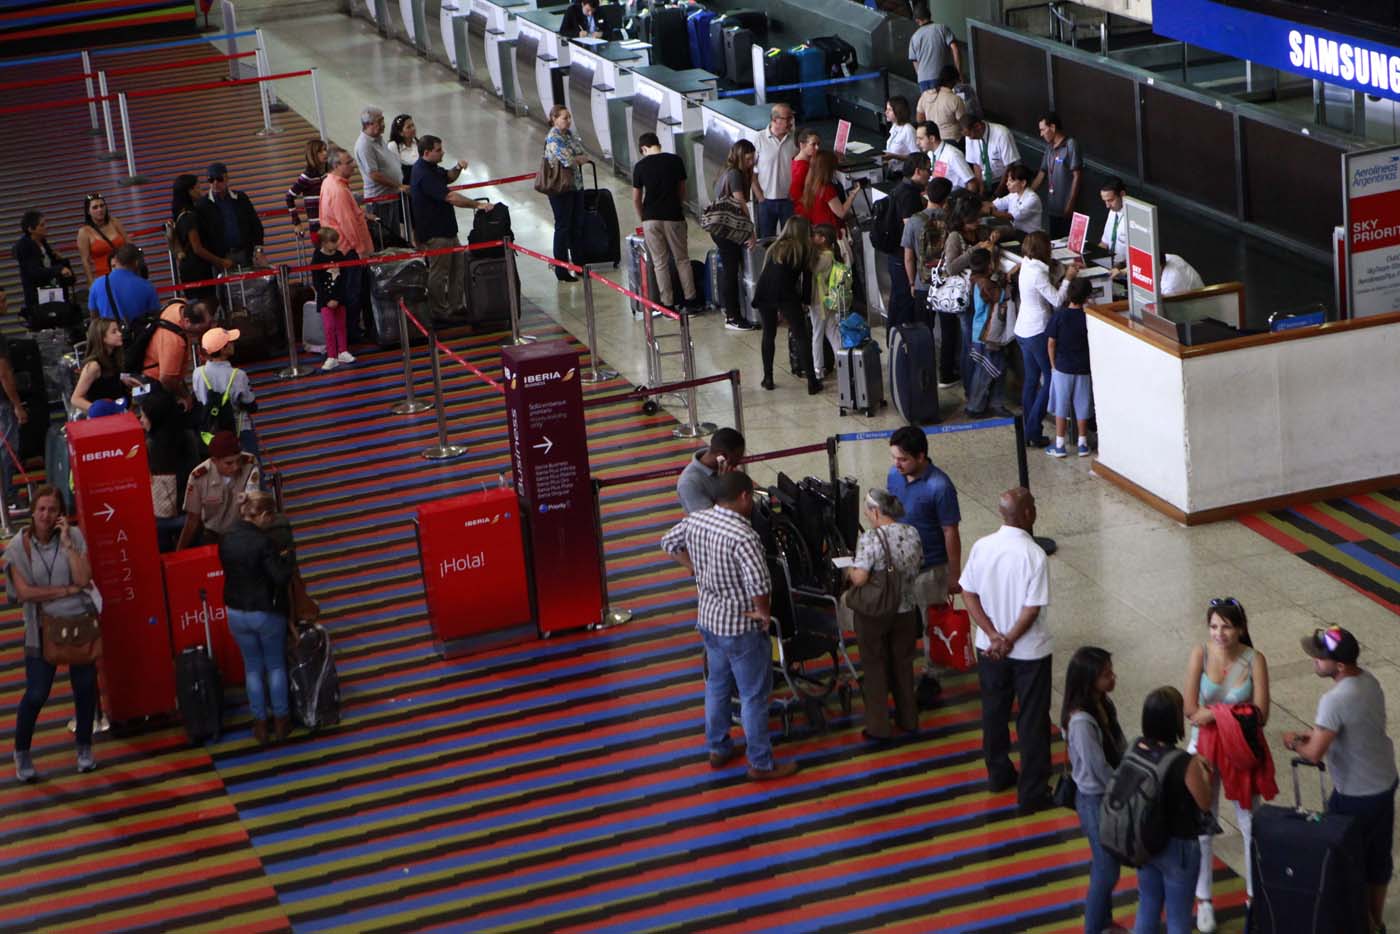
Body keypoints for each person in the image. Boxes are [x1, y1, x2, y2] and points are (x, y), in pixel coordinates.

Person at [661, 471, 797, 781]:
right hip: (740, 627)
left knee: (717, 686)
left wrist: (693, 567)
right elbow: (759, 583)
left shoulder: (697, 519)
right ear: (745, 496)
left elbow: (668, 542)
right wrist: (763, 614)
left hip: (708, 619)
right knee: (752, 695)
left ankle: (718, 747)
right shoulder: (743, 535)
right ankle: (761, 763)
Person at [1285, 626, 1398, 934]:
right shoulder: (1368, 681)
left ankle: (1361, 923)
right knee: (1378, 858)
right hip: (1384, 782)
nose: (1314, 661)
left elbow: (1313, 754)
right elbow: (1354, 726)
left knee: (1345, 861)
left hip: (1355, 794)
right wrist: (1317, 733)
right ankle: (1376, 922)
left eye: (1320, 658)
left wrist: (1295, 742)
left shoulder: (1333, 699)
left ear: (1340, 665)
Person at [1181, 597, 1271, 932]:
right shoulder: (1199, 654)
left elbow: (1262, 713)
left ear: (1241, 629)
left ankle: (1253, 893)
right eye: (1214, 626)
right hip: (1202, 746)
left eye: (1227, 626)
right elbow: (1191, 708)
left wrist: (1215, 714)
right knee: (1204, 821)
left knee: (1249, 821)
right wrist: (1230, 715)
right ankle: (1204, 898)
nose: (1219, 633)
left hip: (1241, 749)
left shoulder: (1254, 660)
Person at [959, 487, 1051, 813]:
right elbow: (1031, 609)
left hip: (989, 650)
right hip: (1030, 653)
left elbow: (968, 592)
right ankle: (1033, 790)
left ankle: (998, 774)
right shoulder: (1034, 555)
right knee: (1032, 720)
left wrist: (992, 634)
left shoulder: (982, 547)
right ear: (1027, 514)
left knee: (994, 713)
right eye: (1034, 505)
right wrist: (1010, 638)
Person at [7, 486, 97, 781]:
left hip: (78, 624)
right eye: (42, 509)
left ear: (61, 514)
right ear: (32, 512)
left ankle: (84, 747)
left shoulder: (74, 537)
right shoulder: (19, 548)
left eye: (53, 510)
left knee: (85, 689)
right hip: (41, 630)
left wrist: (69, 543)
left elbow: (84, 578)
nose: (46, 515)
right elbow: (24, 592)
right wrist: (65, 590)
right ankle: (21, 752)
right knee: (36, 693)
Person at [1132, 686, 1215, 934]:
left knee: (1147, 907)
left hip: (1145, 842)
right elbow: (1204, 802)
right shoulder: (1183, 762)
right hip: (1178, 847)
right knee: (1178, 920)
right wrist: (1205, 774)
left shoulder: (1135, 747)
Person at [219, 490, 296, 746]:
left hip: (235, 613)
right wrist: (287, 559)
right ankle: (282, 721)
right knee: (275, 666)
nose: (270, 523)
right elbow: (280, 577)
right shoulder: (263, 543)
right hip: (264, 612)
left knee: (252, 668)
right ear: (262, 515)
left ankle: (260, 724)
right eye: (269, 517)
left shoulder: (226, 538)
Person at [847, 488, 923, 742]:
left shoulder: (871, 538)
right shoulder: (912, 532)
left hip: (876, 613)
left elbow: (860, 578)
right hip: (906, 609)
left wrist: (848, 569)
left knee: (875, 666)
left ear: (876, 511)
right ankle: (908, 718)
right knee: (903, 664)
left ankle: (879, 726)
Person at [1060, 646, 1127, 934]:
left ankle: (1103, 924)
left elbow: (1118, 743)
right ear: (1088, 681)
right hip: (1095, 800)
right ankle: (1094, 927)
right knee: (1106, 869)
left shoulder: (1102, 703)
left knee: (1103, 865)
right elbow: (1097, 770)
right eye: (1105, 674)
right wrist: (1126, 786)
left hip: (1105, 795)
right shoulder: (1081, 721)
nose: (1112, 678)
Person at [886, 426, 962, 633]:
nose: (896, 464)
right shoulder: (894, 476)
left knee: (934, 629)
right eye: (894, 457)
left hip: (930, 570)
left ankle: (935, 666)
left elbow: (950, 531)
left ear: (921, 457)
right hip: (901, 567)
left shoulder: (940, 487)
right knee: (902, 627)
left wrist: (954, 576)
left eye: (902, 459)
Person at [412, 134, 495, 321]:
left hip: (447, 229)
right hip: (435, 233)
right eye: (438, 150)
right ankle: (439, 310)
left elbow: (447, 177)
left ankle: (456, 304)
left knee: (457, 267)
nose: (443, 152)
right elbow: (451, 197)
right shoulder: (423, 173)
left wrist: (457, 168)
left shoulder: (431, 168)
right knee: (439, 272)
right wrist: (477, 205)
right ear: (426, 153)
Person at [1014, 231, 1079, 449]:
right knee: (1050, 378)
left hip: (1022, 329)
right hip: (1037, 331)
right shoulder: (1038, 275)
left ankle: (1028, 429)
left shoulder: (1027, 264)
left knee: (1031, 380)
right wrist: (1068, 279)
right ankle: (1032, 430)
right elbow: (1058, 300)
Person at [632, 132, 700, 312]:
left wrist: (644, 217)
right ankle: (690, 300)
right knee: (682, 259)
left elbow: (636, 198)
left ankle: (667, 304)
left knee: (659, 262)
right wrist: (677, 207)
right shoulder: (675, 160)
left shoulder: (640, 166)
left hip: (650, 218)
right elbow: (682, 190)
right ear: (658, 144)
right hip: (674, 216)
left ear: (643, 148)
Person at [751, 214, 818, 394]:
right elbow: (807, 280)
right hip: (786, 294)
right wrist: (805, 302)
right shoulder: (804, 249)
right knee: (800, 335)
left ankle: (768, 378)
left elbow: (766, 272)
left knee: (769, 334)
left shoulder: (774, 247)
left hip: (764, 291)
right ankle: (812, 381)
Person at [319, 146, 375, 344]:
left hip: (340, 249)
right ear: (336, 165)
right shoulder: (339, 190)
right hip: (349, 250)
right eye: (348, 162)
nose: (353, 165)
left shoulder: (329, 183)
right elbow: (348, 223)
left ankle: (350, 333)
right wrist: (361, 251)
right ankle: (352, 334)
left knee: (349, 293)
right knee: (353, 294)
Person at [137, 389, 200, 552]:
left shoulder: (148, 446)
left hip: (160, 517)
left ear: (156, 418)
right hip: (189, 514)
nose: (141, 420)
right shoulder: (188, 437)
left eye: (144, 416)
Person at [176, 430, 260, 550]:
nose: (235, 467)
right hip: (213, 536)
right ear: (214, 461)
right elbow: (192, 520)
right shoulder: (198, 477)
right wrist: (180, 551)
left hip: (242, 535)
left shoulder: (250, 463)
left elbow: (254, 503)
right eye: (229, 463)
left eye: (238, 460)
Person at [710, 139, 759, 332]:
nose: (752, 162)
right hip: (728, 229)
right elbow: (740, 203)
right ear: (740, 156)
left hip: (720, 227)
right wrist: (751, 231)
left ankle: (730, 310)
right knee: (732, 272)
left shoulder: (725, 171)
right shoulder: (736, 175)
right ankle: (733, 316)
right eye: (748, 159)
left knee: (730, 270)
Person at [1045, 277, 1095, 458]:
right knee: (1082, 405)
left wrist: (1053, 366)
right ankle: (1082, 443)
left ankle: (1059, 444)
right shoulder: (1088, 318)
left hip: (1062, 368)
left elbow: (1051, 343)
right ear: (1087, 296)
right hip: (1083, 368)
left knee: (1061, 406)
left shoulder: (1059, 316)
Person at [880, 155, 931, 331]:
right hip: (902, 257)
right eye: (928, 170)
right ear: (918, 171)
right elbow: (911, 229)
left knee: (897, 302)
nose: (929, 175)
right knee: (903, 305)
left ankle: (895, 343)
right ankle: (903, 345)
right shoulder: (909, 195)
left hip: (895, 255)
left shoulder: (902, 188)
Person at [543, 106, 591, 284]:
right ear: (554, 119)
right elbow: (568, 160)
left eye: (569, 117)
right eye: (564, 118)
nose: (568, 121)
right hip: (560, 189)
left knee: (576, 224)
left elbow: (581, 153)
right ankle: (561, 268)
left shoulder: (568, 135)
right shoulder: (553, 138)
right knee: (563, 226)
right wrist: (576, 159)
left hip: (576, 186)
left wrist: (576, 158)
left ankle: (579, 263)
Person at [194, 327, 258, 455]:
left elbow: (199, 399)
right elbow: (251, 405)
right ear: (223, 349)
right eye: (230, 342)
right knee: (251, 468)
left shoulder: (198, 373)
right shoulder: (238, 375)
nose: (233, 344)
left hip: (211, 432)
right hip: (239, 430)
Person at [964, 249, 1012, 419]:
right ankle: (976, 407)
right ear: (988, 265)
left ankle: (992, 403)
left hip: (979, 331)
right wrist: (1009, 279)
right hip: (987, 333)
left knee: (991, 368)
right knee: (987, 371)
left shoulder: (975, 280)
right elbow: (1002, 296)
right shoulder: (985, 284)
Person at [142, 298, 212, 410]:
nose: (203, 332)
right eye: (201, 328)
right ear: (187, 321)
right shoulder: (174, 342)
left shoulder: (178, 304)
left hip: (165, 375)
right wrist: (184, 396)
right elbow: (166, 379)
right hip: (154, 385)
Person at [902, 177, 951, 331]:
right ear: (946, 199)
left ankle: (925, 355)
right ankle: (946, 356)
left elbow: (909, 258)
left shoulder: (913, 221)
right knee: (948, 331)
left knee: (924, 329)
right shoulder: (951, 220)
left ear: (927, 195)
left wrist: (911, 283)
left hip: (922, 282)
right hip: (947, 283)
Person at [355, 106, 409, 245]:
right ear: (368, 124)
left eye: (383, 120)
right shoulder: (364, 145)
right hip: (379, 201)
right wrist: (399, 185)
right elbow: (374, 174)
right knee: (385, 240)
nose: (383, 124)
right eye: (379, 121)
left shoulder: (378, 139)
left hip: (390, 197)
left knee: (395, 237)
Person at [195, 163, 265, 269]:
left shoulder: (241, 198)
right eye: (211, 180)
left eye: (219, 179)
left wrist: (258, 250)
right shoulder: (203, 205)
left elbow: (255, 224)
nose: (215, 183)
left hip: (245, 253)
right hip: (220, 258)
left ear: (227, 178)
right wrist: (216, 260)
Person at [171, 174, 226, 305]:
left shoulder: (179, 213)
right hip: (197, 269)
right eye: (197, 188)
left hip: (189, 268)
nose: (200, 192)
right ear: (189, 191)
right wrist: (220, 261)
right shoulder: (190, 217)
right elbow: (197, 248)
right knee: (206, 304)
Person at [1030, 113, 1083, 240]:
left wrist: (1070, 203)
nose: (1041, 134)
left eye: (1043, 129)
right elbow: (1042, 173)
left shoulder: (1070, 144)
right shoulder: (1049, 148)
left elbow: (1077, 175)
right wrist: (1027, 192)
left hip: (1068, 207)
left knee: (1068, 242)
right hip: (1053, 206)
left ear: (1052, 127)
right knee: (1054, 241)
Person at [71, 317, 139, 415]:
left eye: (118, 330)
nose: (120, 334)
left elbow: (109, 377)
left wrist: (124, 378)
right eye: (114, 332)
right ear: (102, 337)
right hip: (104, 420)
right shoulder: (93, 366)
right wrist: (98, 410)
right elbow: (75, 399)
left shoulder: (112, 358)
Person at [13, 210, 75, 313]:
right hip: (38, 299)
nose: (46, 227)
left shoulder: (43, 242)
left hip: (53, 292)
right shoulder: (25, 246)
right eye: (42, 225)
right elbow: (35, 272)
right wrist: (59, 269)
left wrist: (61, 261)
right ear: (31, 229)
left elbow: (50, 266)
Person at [810, 223, 849, 380]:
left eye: (815, 236)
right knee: (833, 333)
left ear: (823, 239)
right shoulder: (832, 254)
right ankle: (843, 365)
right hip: (830, 298)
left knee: (817, 334)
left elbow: (811, 270)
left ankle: (817, 369)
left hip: (819, 300)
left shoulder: (823, 257)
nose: (813, 238)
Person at [752, 104, 797, 240]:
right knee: (766, 241)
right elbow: (750, 171)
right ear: (775, 120)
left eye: (791, 118)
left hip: (788, 201)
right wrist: (760, 196)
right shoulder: (759, 139)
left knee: (790, 241)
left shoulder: (794, 139)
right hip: (766, 202)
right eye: (787, 118)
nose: (791, 122)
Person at [311, 226, 353, 371]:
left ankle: (343, 351)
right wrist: (327, 299)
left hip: (339, 298)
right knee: (329, 327)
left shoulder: (340, 255)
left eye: (336, 241)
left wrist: (338, 297)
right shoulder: (317, 257)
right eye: (332, 242)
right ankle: (331, 355)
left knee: (341, 326)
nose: (335, 245)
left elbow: (345, 278)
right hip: (325, 300)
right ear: (323, 243)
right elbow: (317, 282)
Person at [676, 428, 745, 514]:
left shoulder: (727, 468)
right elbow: (710, 521)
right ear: (722, 456)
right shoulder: (689, 483)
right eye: (738, 457)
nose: (739, 462)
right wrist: (724, 487)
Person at [0, 291, 27, 509]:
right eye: (1, 301)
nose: (5, 304)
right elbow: (4, 373)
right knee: (9, 447)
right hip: (2, 402)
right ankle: (8, 496)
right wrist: (17, 405)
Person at [87, 243, 158, 324]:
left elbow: (94, 318)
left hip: (109, 335)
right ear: (136, 263)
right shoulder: (147, 286)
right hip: (139, 335)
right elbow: (155, 317)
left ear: (117, 261)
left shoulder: (97, 284)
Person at [797, 149, 861, 234]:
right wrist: (852, 195)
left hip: (817, 230)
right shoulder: (827, 189)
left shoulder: (810, 184)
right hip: (830, 232)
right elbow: (841, 212)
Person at [75, 192, 130, 285]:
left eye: (102, 206)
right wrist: (91, 284)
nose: (100, 209)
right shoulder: (84, 232)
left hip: (125, 273)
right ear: (88, 211)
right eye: (95, 207)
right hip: (104, 279)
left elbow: (129, 244)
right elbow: (85, 261)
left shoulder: (115, 222)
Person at [963, 115, 1022, 196]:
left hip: (1004, 180)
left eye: (970, 135)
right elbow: (976, 164)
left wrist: (998, 193)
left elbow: (1009, 166)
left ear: (978, 126)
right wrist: (981, 189)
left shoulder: (1002, 134)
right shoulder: (969, 137)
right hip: (985, 181)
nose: (970, 138)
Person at [907, 2, 961, 92]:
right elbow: (955, 49)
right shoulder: (942, 28)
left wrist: (921, 76)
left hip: (923, 80)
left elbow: (915, 61)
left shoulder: (914, 37)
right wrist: (958, 72)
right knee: (944, 103)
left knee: (929, 105)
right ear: (930, 15)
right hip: (941, 76)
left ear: (917, 20)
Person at [285, 138, 328, 240]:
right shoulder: (307, 176)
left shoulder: (327, 172)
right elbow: (289, 197)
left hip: (331, 223)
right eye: (321, 151)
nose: (325, 153)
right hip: (318, 228)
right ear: (313, 155)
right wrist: (297, 223)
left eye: (325, 149)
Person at [984, 164, 1044, 236]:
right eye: (1007, 180)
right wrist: (977, 206)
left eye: (1011, 181)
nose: (1007, 184)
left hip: (1031, 236)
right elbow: (994, 204)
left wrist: (990, 211)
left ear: (1023, 183)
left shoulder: (1032, 199)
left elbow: (1011, 216)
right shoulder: (1013, 194)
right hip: (1017, 232)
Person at [918, 121, 976, 194]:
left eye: (921, 139)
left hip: (954, 198)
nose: (918, 142)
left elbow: (971, 183)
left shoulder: (953, 155)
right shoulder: (930, 153)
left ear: (932, 138)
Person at [915, 67, 966, 145]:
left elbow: (919, 119)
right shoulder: (955, 99)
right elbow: (963, 123)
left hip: (933, 141)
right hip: (953, 140)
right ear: (954, 81)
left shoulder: (925, 95)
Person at [1099, 177, 1127, 266]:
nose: (1107, 206)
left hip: (1124, 268)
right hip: (1110, 263)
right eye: (1105, 201)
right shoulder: (1112, 211)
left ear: (1122, 195)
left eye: (1110, 200)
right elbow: (1104, 243)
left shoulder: (1133, 218)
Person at [788, 128, 820, 206]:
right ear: (802, 145)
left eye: (818, 144)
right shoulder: (801, 168)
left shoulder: (796, 160)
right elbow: (795, 196)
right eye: (813, 144)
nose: (817, 148)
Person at [882, 97, 917, 165]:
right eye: (886, 109)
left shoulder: (908, 130)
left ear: (898, 111)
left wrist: (894, 156)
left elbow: (916, 156)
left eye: (890, 110)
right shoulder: (895, 126)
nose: (886, 112)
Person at [387, 114, 419, 184]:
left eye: (413, 125)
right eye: (408, 127)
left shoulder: (418, 143)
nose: (413, 129)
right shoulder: (393, 146)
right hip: (404, 185)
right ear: (400, 132)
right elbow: (394, 171)